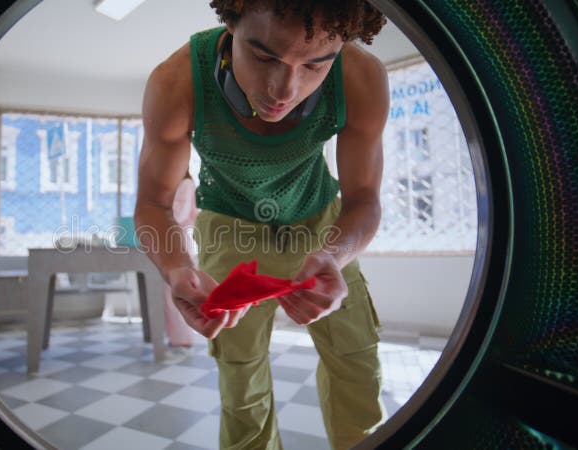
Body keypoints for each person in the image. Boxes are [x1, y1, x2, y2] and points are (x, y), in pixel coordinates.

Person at [135, 1, 388, 448]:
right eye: (264, 56)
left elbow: (364, 200)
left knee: (359, 372)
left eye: (315, 65)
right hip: (228, 228)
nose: (284, 90)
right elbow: (153, 204)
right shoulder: (176, 82)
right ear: (231, 23)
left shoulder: (361, 77)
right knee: (242, 390)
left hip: (323, 228)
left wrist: (335, 256)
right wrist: (176, 268)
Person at [163, 172, 197, 348]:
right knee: (172, 293)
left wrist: (158, 212)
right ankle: (177, 338)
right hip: (176, 239)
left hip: (177, 240)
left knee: (175, 293)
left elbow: (179, 214)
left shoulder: (184, 184)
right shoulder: (183, 183)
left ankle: (181, 340)